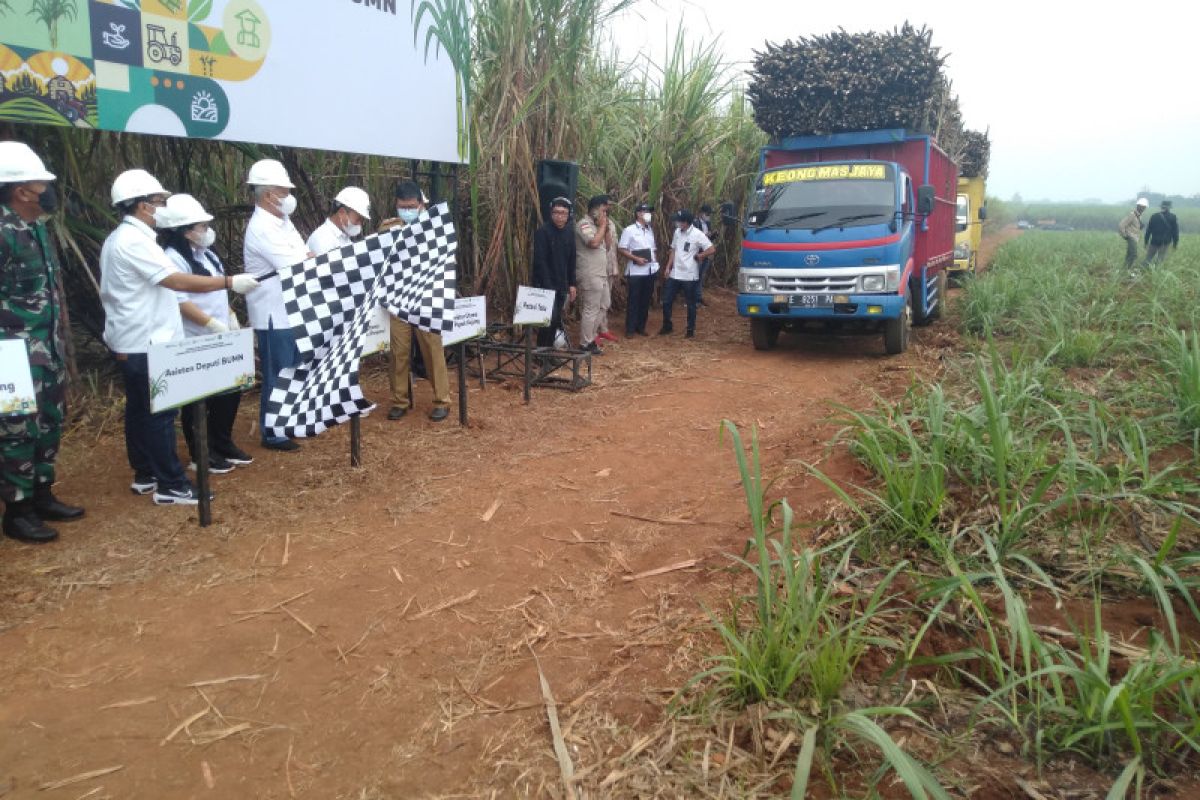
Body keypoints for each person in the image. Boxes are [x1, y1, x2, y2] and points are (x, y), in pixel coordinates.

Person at [100, 169, 258, 505]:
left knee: (143, 410)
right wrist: (230, 283)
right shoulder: (133, 242)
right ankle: (170, 484)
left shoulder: (129, 239)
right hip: (144, 340)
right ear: (143, 206)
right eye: (159, 202)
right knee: (159, 413)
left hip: (138, 338)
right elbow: (177, 282)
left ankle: (146, 472)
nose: (162, 208)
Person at [0, 141, 83, 543]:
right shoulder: (2, 232)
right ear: (21, 190)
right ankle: (17, 511)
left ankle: (42, 494)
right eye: (41, 183)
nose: (48, 189)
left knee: (49, 422)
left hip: (44, 349)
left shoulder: (35, 227)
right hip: (11, 355)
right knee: (17, 430)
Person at [160, 194, 253, 475]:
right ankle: (200, 452)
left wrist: (229, 316)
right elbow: (179, 300)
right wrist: (210, 323)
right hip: (195, 338)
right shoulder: (172, 259)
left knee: (230, 390)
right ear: (185, 230)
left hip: (221, 333)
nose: (206, 231)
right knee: (198, 398)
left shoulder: (207, 254)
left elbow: (218, 288)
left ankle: (222, 442)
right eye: (201, 226)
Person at [242, 159, 311, 452]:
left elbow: (307, 254)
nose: (288, 197)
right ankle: (273, 432)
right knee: (278, 371)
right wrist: (307, 260)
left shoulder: (284, 222)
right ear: (269, 194)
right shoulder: (261, 227)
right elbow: (296, 263)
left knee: (294, 367)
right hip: (273, 312)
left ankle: (290, 420)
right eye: (284, 191)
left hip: (291, 308)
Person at [381, 180, 451, 422]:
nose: (407, 210)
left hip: (426, 298)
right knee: (399, 352)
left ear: (421, 204)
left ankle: (442, 400)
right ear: (396, 205)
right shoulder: (387, 228)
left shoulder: (435, 227)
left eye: (411, 206)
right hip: (398, 300)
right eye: (402, 206)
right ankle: (399, 400)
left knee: (432, 349)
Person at [659, 210, 714, 339]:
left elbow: (711, 249)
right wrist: (668, 266)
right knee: (666, 301)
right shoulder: (677, 232)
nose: (677, 223)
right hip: (675, 273)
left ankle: (690, 330)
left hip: (689, 275)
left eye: (679, 221)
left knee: (690, 303)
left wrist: (700, 255)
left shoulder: (697, 234)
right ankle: (667, 326)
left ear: (686, 222)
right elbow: (673, 250)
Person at [531, 196, 577, 348]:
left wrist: (572, 284)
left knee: (556, 320)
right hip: (545, 284)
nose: (559, 216)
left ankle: (548, 351)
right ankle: (541, 352)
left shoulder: (569, 233)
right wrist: (547, 286)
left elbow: (571, 260)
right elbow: (540, 262)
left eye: (563, 213)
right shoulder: (543, 232)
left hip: (561, 284)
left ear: (568, 215)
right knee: (548, 320)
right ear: (551, 214)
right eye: (556, 212)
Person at [575, 194, 618, 354]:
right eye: (603, 210)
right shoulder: (583, 224)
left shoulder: (600, 225)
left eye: (606, 212)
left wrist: (605, 227)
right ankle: (585, 343)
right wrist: (601, 227)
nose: (605, 214)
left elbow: (607, 246)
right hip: (589, 273)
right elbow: (593, 243)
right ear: (594, 209)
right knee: (591, 308)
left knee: (604, 304)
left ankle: (591, 337)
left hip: (601, 272)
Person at [617, 202, 658, 336]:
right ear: (638, 213)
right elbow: (622, 249)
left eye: (649, 212)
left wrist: (655, 263)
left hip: (650, 270)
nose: (649, 214)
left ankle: (641, 326)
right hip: (636, 271)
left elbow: (653, 249)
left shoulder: (649, 229)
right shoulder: (629, 230)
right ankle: (630, 329)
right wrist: (636, 258)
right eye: (646, 212)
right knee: (634, 300)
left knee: (645, 300)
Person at [306, 187, 371, 256]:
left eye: (362, 221)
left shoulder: (343, 237)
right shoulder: (323, 239)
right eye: (358, 219)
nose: (360, 224)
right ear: (342, 213)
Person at [1143, 200, 1180, 267]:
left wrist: (1146, 241)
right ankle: (1155, 274)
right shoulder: (1173, 217)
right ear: (1169, 208)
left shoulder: (1154, 216)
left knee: (1148, 258)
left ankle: (1143, 271)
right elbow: (1175, 232)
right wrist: (1175, 244)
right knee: (1160, 259)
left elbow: (1148, 230)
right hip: (1165, 242)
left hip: (1154, 241)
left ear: (1161, 207)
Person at [694, 203, 716, 306]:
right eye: (707, 214)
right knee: (696, 275)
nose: (708, 216)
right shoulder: (695, 223)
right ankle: (693, 298)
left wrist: (712, 235)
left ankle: (698, 297)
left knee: (701, 276)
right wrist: (704, 235)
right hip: (699, 253)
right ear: (702, 213)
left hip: (706, 252)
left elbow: (707, 240)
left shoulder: (708, 224)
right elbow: (694, 237)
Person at [1118, 197, 1148, 269]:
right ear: (1138, 206)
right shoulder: (1132, 215)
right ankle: (1127, 269)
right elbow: (1121, 225)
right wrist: (1124, 235)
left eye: (1144, 207)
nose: (1143, 209)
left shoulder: (1139, 216)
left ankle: (1124, 270)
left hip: (1135, 238)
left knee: (1129, 255)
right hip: (1131, 237)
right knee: (1133, 255)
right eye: (1142, 207)